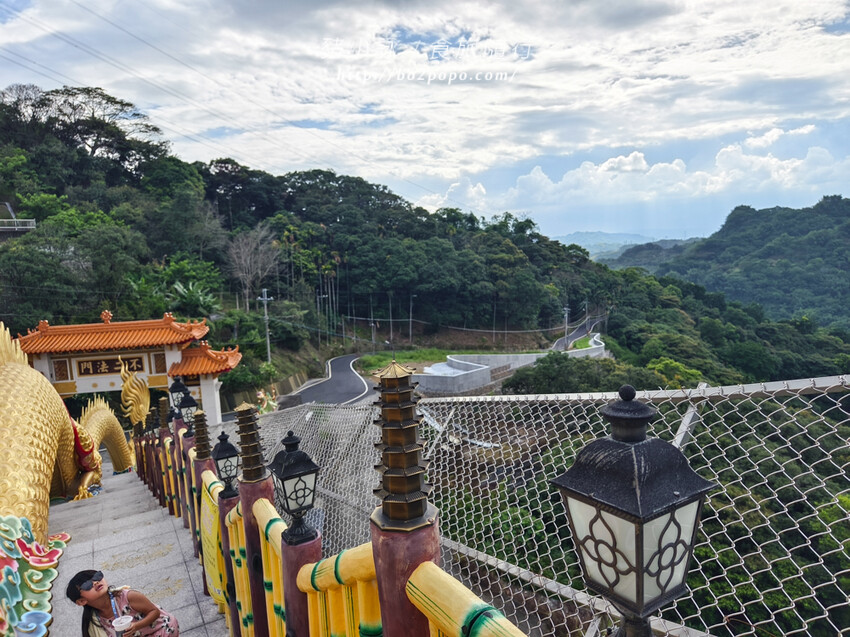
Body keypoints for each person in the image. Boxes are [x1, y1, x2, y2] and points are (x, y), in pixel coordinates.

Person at [66, 570, 179, 637]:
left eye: (97, 576)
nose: (95, 582)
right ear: (81, 601)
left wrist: (136, 626)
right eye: (87, 585)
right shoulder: (94, 619)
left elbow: (155, 612)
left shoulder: (128, 596)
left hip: (163, 629)